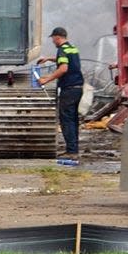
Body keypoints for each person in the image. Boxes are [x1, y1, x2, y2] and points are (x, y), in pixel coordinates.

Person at [36, 26, 83, 164]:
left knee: (66, 120)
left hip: (68, 89)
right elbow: (69, 61)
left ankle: (72, 152)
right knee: (73, 120)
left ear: (57, 37)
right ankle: (73, 149)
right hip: (78, 88)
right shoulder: (72, 48)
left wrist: (46, 79)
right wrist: (50, 59)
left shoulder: (62, 50)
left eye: (53, 39)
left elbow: (63, 68)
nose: (52, 41)